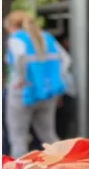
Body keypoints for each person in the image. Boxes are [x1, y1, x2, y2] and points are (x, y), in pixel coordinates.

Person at [5, 11, 69, 158]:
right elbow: (66, 60)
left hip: (21, 93)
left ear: (13, 26)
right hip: (47, 93)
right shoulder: (47, 38)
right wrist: (56, 82)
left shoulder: (17, 39)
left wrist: (21, 77)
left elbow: (19, 57)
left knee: (18, 138)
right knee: (49, 135)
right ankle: (63, 167)